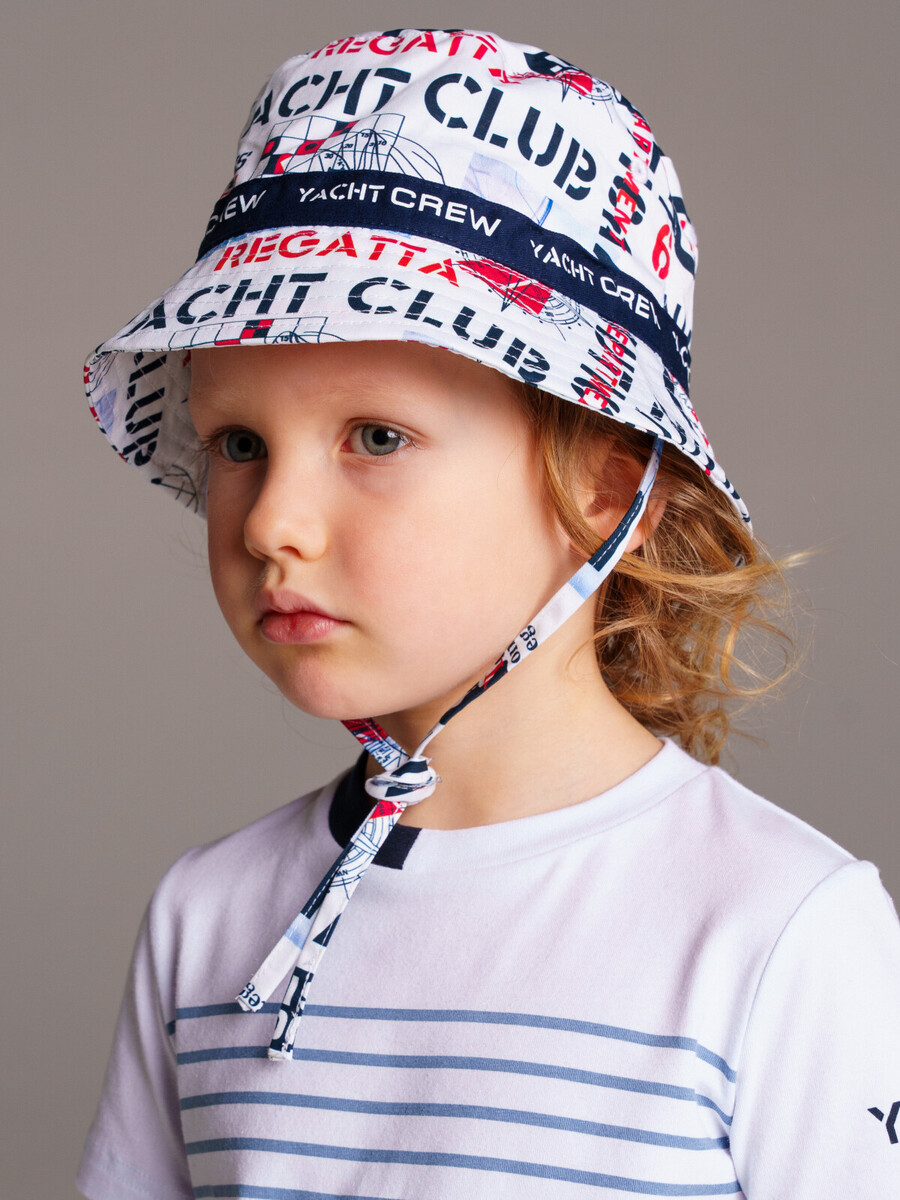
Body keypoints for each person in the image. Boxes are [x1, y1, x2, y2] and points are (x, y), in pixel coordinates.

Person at [77, 28, 900, 1200]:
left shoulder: (777, 932)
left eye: (376, 437)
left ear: (605, 488)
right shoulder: (206, 919)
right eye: (240, 444)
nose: (271, 524)